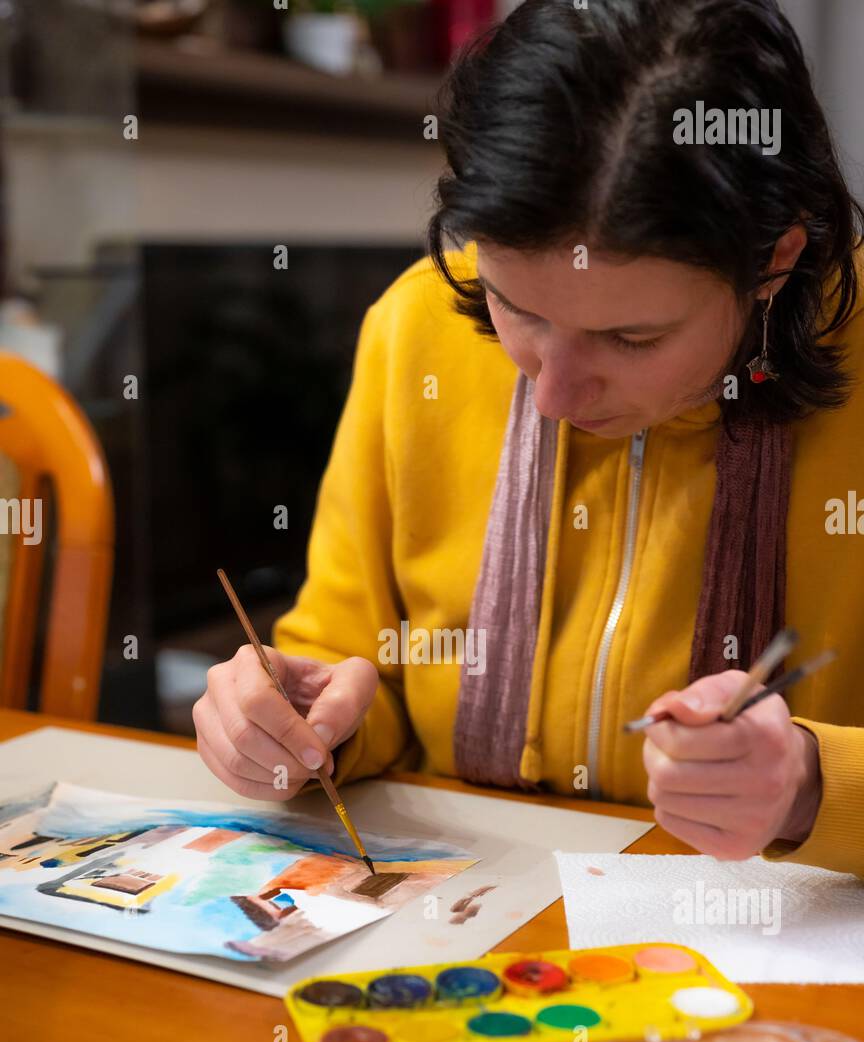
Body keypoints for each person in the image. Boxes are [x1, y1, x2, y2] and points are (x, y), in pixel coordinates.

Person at [193, 0, 864, 874]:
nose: (551, 393)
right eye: (516, 307)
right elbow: (357, 660)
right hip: (471, 920)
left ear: (774, 261)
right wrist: (305, 717)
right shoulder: (414, 327)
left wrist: (815, 783)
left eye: (632, 339)